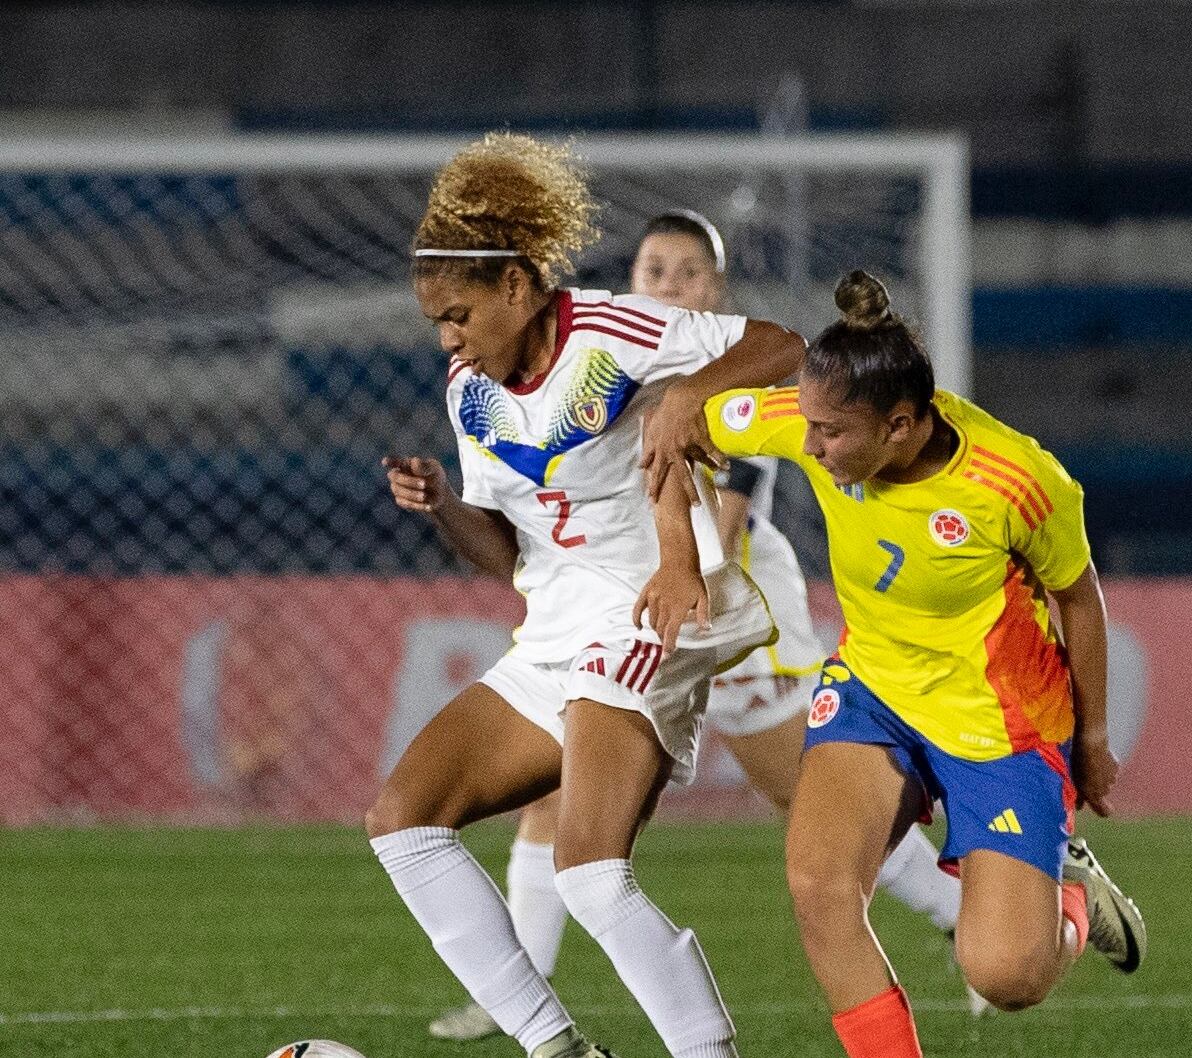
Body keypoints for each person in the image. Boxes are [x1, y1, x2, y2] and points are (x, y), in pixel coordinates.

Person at [430, 212, 981, 1043]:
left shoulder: (733, 387)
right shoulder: (615, 365)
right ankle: (521, 985)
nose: (669, 283)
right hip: (647, 606)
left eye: (690, 273)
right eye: (655, 267)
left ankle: (965, 910)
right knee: (553, 800)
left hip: (723, 605)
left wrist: (657, 606)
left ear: (713, 291)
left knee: (802, 795)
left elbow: (720, 524)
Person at [369, 132, 805, 1058]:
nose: (447, 338)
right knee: (402, 820)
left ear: (518, 288)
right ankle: (556, 1048)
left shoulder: (614, 331)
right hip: (559, 625)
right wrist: (443, 503)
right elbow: (511, 559)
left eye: (459, 314)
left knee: (591, 871)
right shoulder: (471, 392)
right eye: (436, 321)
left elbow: (782, 347)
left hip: (650, 604)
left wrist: (692, 393)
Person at [671, 271, 1147, 1058]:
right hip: (875, 692)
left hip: (999, 724)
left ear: (900, 425)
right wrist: (675, 541)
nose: (810, 447)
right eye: (809, 425)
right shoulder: (813, 421)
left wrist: (1092, 743)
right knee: (819, 883)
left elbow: (1081, 601)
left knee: (1003, 975)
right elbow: (682, 425)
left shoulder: (1018, 480)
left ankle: (1067, 901)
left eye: (831, 434)